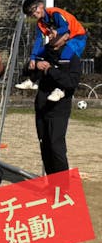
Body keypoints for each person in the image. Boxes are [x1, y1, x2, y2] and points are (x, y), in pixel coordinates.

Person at [16, 0, 87, 102]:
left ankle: (61, 89)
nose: (34, 14)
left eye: (34, 10)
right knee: (40, 53)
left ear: (41, 5)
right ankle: (32, 80)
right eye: (30, 14)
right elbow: (39, 40)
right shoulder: (40, 23)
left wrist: (57, 32)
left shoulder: (54, 13)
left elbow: (66, 27)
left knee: (65, 55)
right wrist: (33, 57)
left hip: (77, 37)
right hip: (61, 40)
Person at [33, 44, 81, 175]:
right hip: (42, 106)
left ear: (65, 36)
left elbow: (72, 82)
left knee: (56, 146)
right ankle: (52, 182)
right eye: (48, 33)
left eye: (54, 33)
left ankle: (63, 184)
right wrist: (35, 65)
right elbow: (26, 73)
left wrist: (51, 70)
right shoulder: (42, 52)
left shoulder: (71, 56)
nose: (50, 34)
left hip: (59, 109)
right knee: (45, 145)